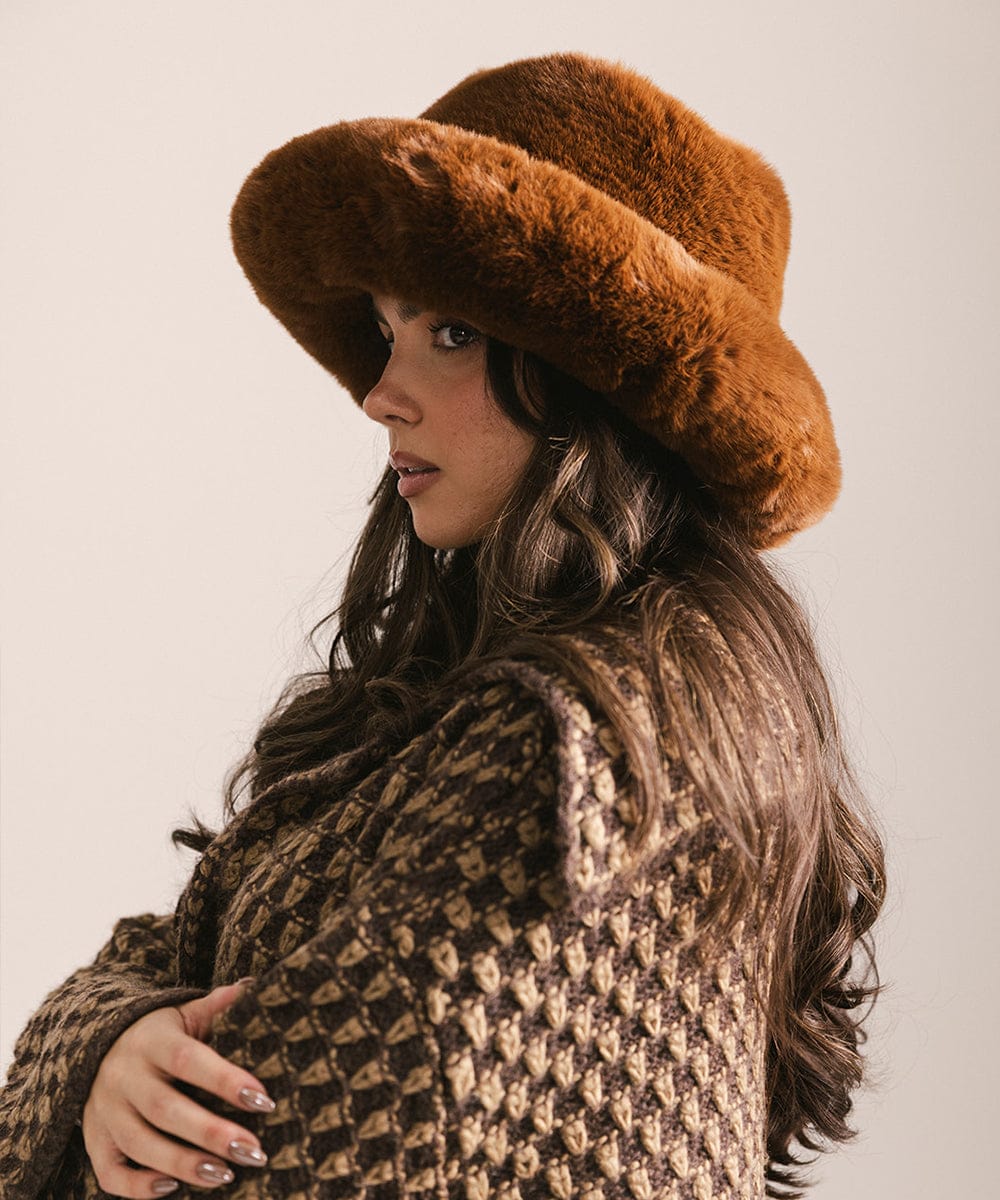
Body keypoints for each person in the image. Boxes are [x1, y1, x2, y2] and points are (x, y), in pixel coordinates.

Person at [0, 52, 885, 1200]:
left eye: (450, 335)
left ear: (590, 377)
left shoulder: (588, 734)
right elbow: (176, 956)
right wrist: (111, 1044)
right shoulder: (514, 692)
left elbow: (260, 1151)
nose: (381, 392)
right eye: (385, 331)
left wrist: (97, 1071)